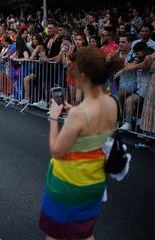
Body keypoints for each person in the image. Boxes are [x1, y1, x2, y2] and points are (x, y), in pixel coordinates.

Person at [39, 47, 119, 240]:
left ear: (82, 75)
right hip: (95, 182)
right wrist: (72, 111)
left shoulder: (79, 113)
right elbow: (92, 137)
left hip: (69, 183)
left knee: (55, 234)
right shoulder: (113, 103)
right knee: (85, 232)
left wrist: (53, 117)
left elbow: (56, 151)